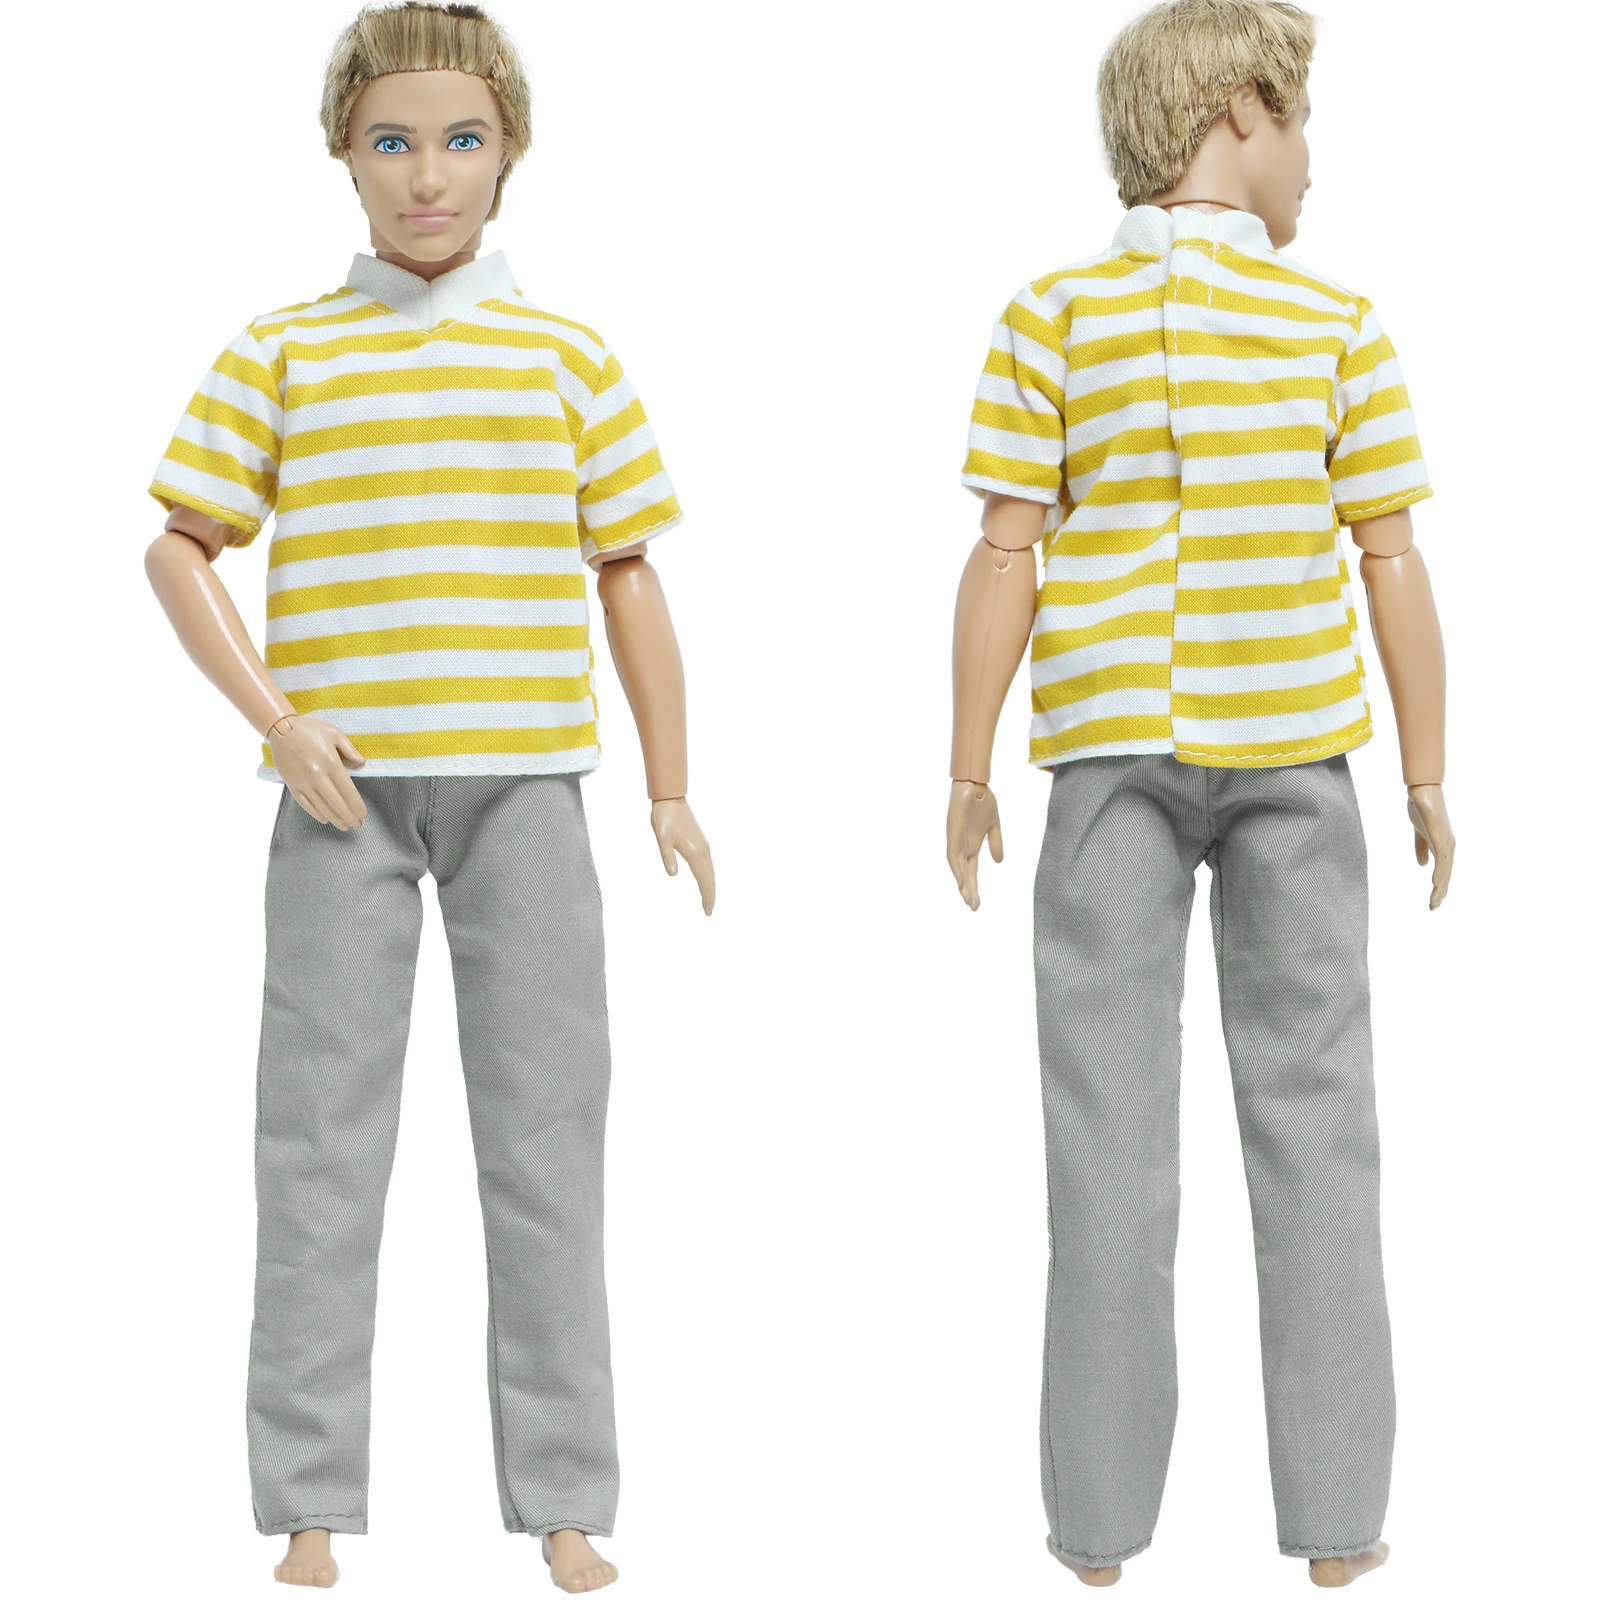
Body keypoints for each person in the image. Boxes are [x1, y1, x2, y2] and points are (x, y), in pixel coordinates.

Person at [144, 4, 713, 1590]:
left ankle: (566, 1500)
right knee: (318, 1148)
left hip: (527, 790)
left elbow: (628, 572)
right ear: (343, 150)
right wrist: (278, 719)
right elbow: (180, 548)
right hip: (342, 797)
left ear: (509, 150)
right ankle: (308, 1502)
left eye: (461, 139)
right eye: (391, 140)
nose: (426, 176)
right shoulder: (284, 352)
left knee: (547, 1148)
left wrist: (670, 785)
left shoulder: (566, 357)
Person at [945, 0, 1454, 1586]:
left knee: (1114, 1145)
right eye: (1300, 123)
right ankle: (1323, 1529)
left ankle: (1107, 1533)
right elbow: (1388, 559)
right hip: (1272, 748)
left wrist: (966, 761)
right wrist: (1425, 769)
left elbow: (1007, 553)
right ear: (1243, 109)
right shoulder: (1330, 326)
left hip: (1136, 757)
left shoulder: (1057, 317)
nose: (1311, 160)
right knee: (1312, 1132)